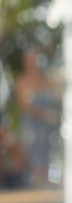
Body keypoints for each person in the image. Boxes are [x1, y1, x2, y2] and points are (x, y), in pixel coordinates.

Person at [14, 48, 62, 187]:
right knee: (35, 162)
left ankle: (51, 189)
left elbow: (59, 97)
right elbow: (25, 105)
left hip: (50, 129)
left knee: (52, 161)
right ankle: (37, 189)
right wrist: (44, 114)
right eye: (31, 61)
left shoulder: (49, 80)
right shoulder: (22, 82)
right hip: (33, 129)